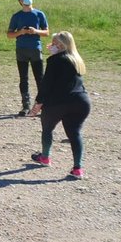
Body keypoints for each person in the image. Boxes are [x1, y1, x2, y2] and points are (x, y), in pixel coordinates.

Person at [27, 31, 90, 179]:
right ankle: (78, 169)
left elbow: (46, 84)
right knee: (75, 133)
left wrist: (38, 104)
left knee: (47, 129)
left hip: (58, 102)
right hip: (81, 101)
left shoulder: (55, 60)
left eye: (54, 43)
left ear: (61, 45)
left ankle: (45, 157)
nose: (51, 46)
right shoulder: (77, 59)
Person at [6, 0, 49, 116]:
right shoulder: (16, 16)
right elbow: (9, 34)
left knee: (40, 78)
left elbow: (46, 32)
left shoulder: (39, 14)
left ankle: (42, 106)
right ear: (20, 1)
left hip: (36, 49)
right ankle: (26, 106)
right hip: (21, 50)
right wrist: (21, 32)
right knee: (23, 78)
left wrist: (35, 31)